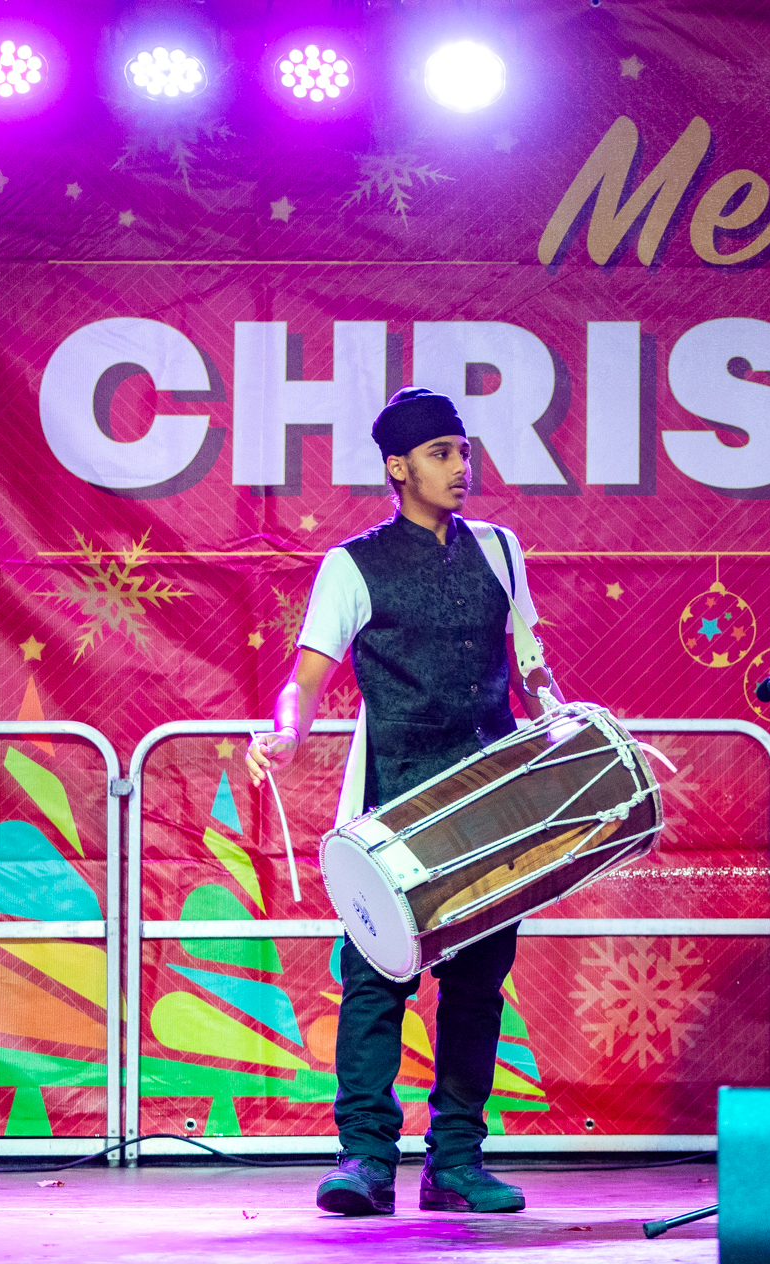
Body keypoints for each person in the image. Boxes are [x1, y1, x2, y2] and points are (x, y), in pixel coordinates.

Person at [245, 387, 553, 1217]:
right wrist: (285, 732)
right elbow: (305, 681)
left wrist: (556, 717)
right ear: (398, 467)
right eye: (441, 453)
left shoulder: (500, 550)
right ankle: (366, 1162)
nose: (461, 467)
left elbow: (530, 661)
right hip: (393, 804)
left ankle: (455, 1164)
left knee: (477, 984)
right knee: (378, 981)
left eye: (463, 451)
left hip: (489, 799)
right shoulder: (353, 564)